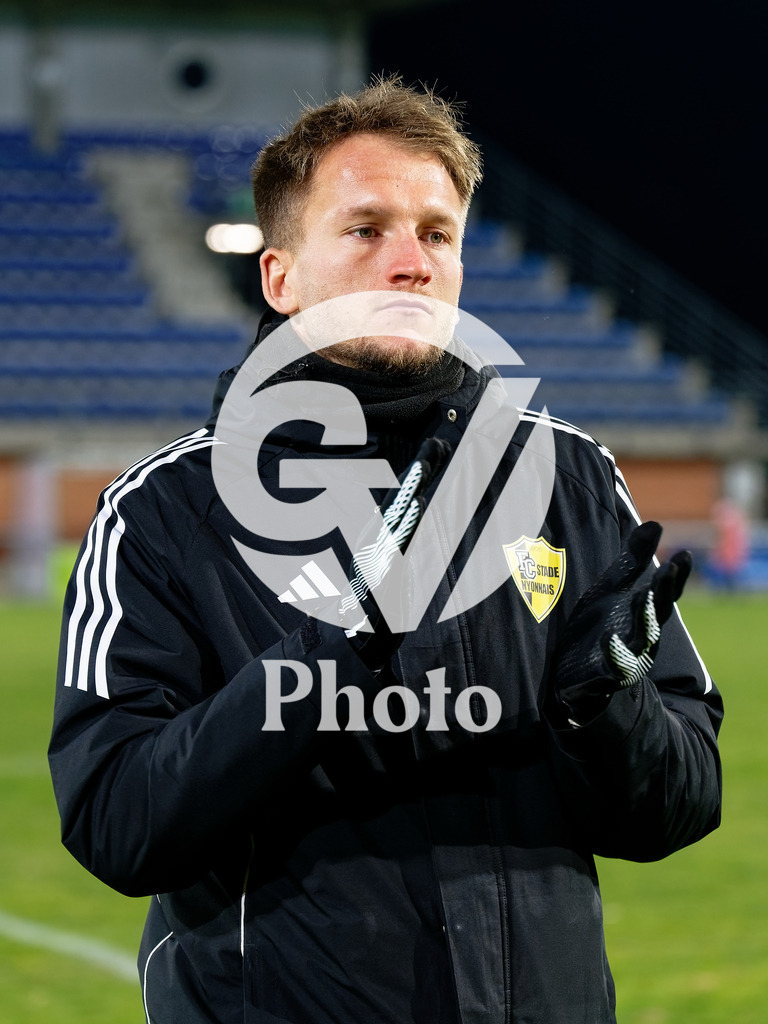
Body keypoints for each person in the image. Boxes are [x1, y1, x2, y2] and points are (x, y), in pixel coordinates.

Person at [49, 77, 723, 1024]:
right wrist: (329, 654)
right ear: (280, 277)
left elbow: (679, 810)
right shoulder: (164, 513)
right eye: (366, 229)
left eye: (436, 233)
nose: (411, 262)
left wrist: (605, 710)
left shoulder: (567, 481)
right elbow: (119, 825)